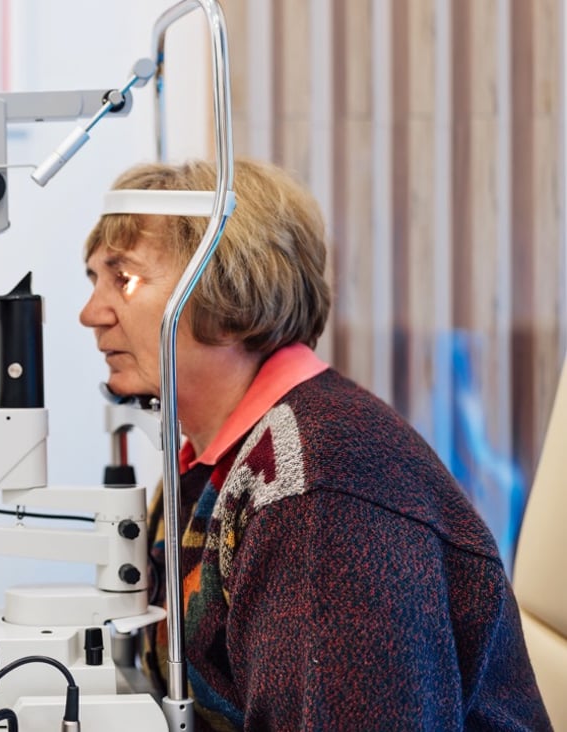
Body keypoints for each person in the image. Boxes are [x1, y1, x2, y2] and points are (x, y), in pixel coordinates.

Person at [79, 158, 550, 730]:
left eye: (123, 278)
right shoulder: (218, 467)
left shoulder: (319, 496)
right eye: (94, 281)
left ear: (226, 289)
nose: (90, 314)